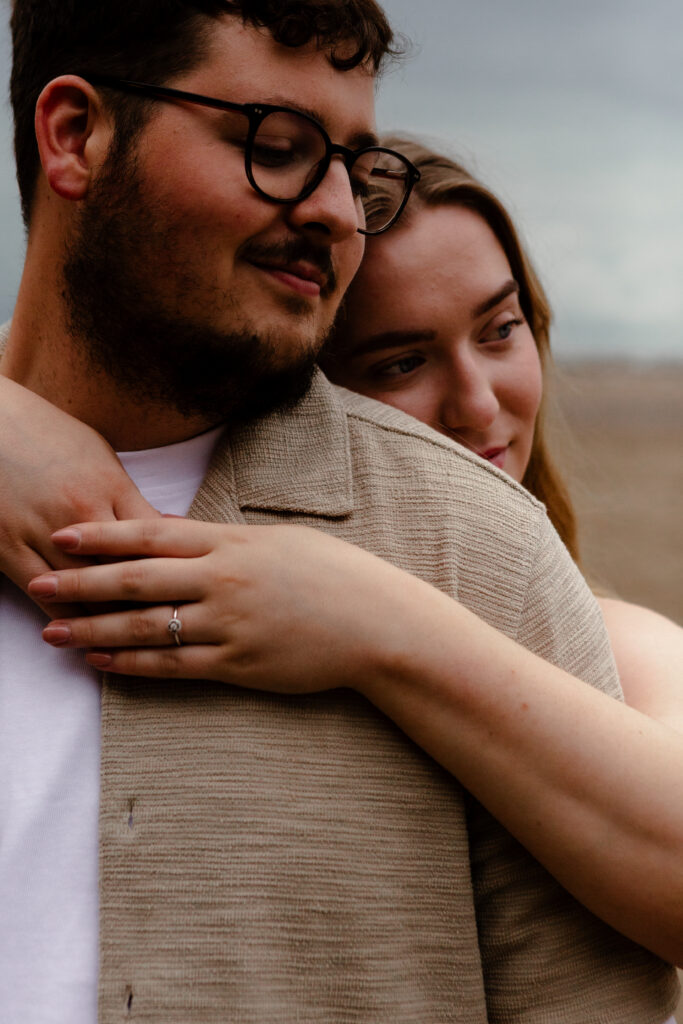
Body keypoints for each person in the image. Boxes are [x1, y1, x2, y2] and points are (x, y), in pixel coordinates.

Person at [0, 4, 678, 1024]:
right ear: (73, 135)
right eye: (276, 149)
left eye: (353, 170)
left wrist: (377, 620)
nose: (333, 211)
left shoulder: (480, 550)